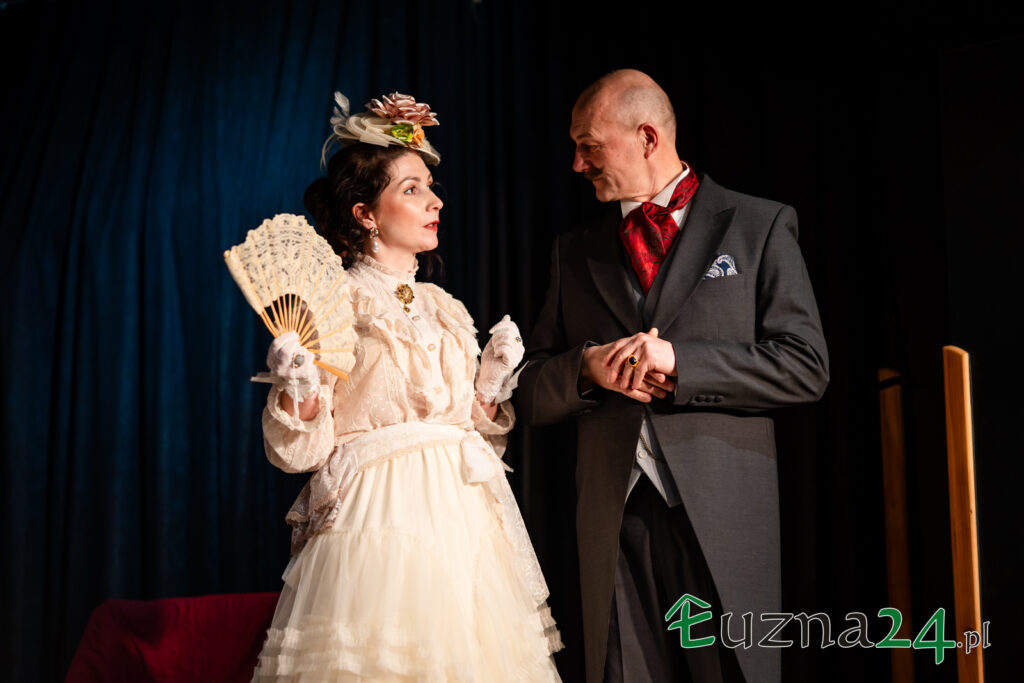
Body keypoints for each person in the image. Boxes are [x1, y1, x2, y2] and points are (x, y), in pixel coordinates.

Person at [516, 70, 829, 683]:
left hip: (722, 512)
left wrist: (681, 363)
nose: (577, 164)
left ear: (648, 137)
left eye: (589, 146)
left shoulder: (758, 224)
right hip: (615, 519)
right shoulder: (574, 251)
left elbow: (805, 365)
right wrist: (587, 369)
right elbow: (528, 390)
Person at [250, 92, 562, 681]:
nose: (434, 201)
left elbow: (473, 433)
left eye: (430, 187)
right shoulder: (335, 300)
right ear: (366, 213)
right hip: (380, 513)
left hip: (463, 513)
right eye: (412, 189)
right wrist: (300, 385)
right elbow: (302, 452)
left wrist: (490, 385)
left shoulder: (446, 306)